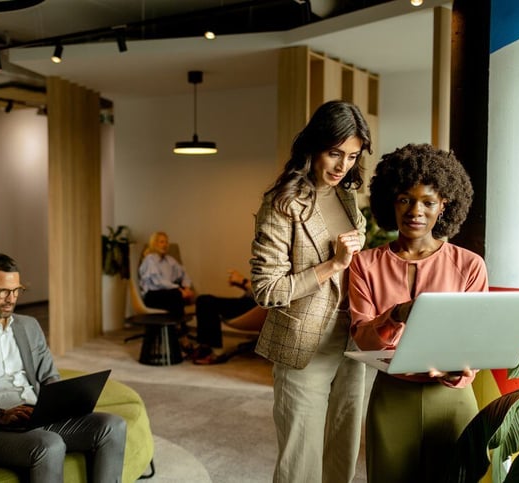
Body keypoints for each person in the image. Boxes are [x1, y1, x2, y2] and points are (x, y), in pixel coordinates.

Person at [348, 143, 488, 483]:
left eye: (428, 201)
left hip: (452, 397)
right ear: (390, 202)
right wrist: (396, 314)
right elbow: (362, 339)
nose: (415, 211)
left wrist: (463, 373)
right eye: (405, 199)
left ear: (444, 206)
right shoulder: (365, 264)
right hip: (393, 397)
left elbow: (478, 341)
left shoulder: (469, 265)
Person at [250, 100, 372, 483]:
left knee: (343, 456)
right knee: (300, 463)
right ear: (314, 147)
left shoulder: (348, 198)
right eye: (334, 154)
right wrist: (331, 265)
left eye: (352, 157)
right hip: (304, 346)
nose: (342, 166)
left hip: (353, 346)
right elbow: (266, 289)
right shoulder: (281, 204)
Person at [0, 253, 126, 483]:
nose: (11, 299)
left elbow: (49, 377)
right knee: (50, 445)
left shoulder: (29, 326)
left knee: (113, 426)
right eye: (2, 291)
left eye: (17, 290)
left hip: (36, 416)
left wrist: (61, 404)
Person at [190, 269, 260, 365]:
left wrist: (243, 281)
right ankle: (205, 347)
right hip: (249, 304)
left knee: (206, 302)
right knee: (203, 300)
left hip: (256, 308)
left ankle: (216, 351)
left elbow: (271, 293)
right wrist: (241, 284)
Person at [138, 231, 195, 318]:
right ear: (154, 244)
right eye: (162, 242)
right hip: (153, 295)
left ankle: (176, 327)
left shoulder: (170, 260)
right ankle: (177, 327)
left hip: (169, 292)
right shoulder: (150, 259)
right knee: (176, 295)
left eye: (166, 242)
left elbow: (183, 274)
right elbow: (159, 282)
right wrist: (180, 291)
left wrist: (186, 288)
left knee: (180, 295)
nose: (165, 245)